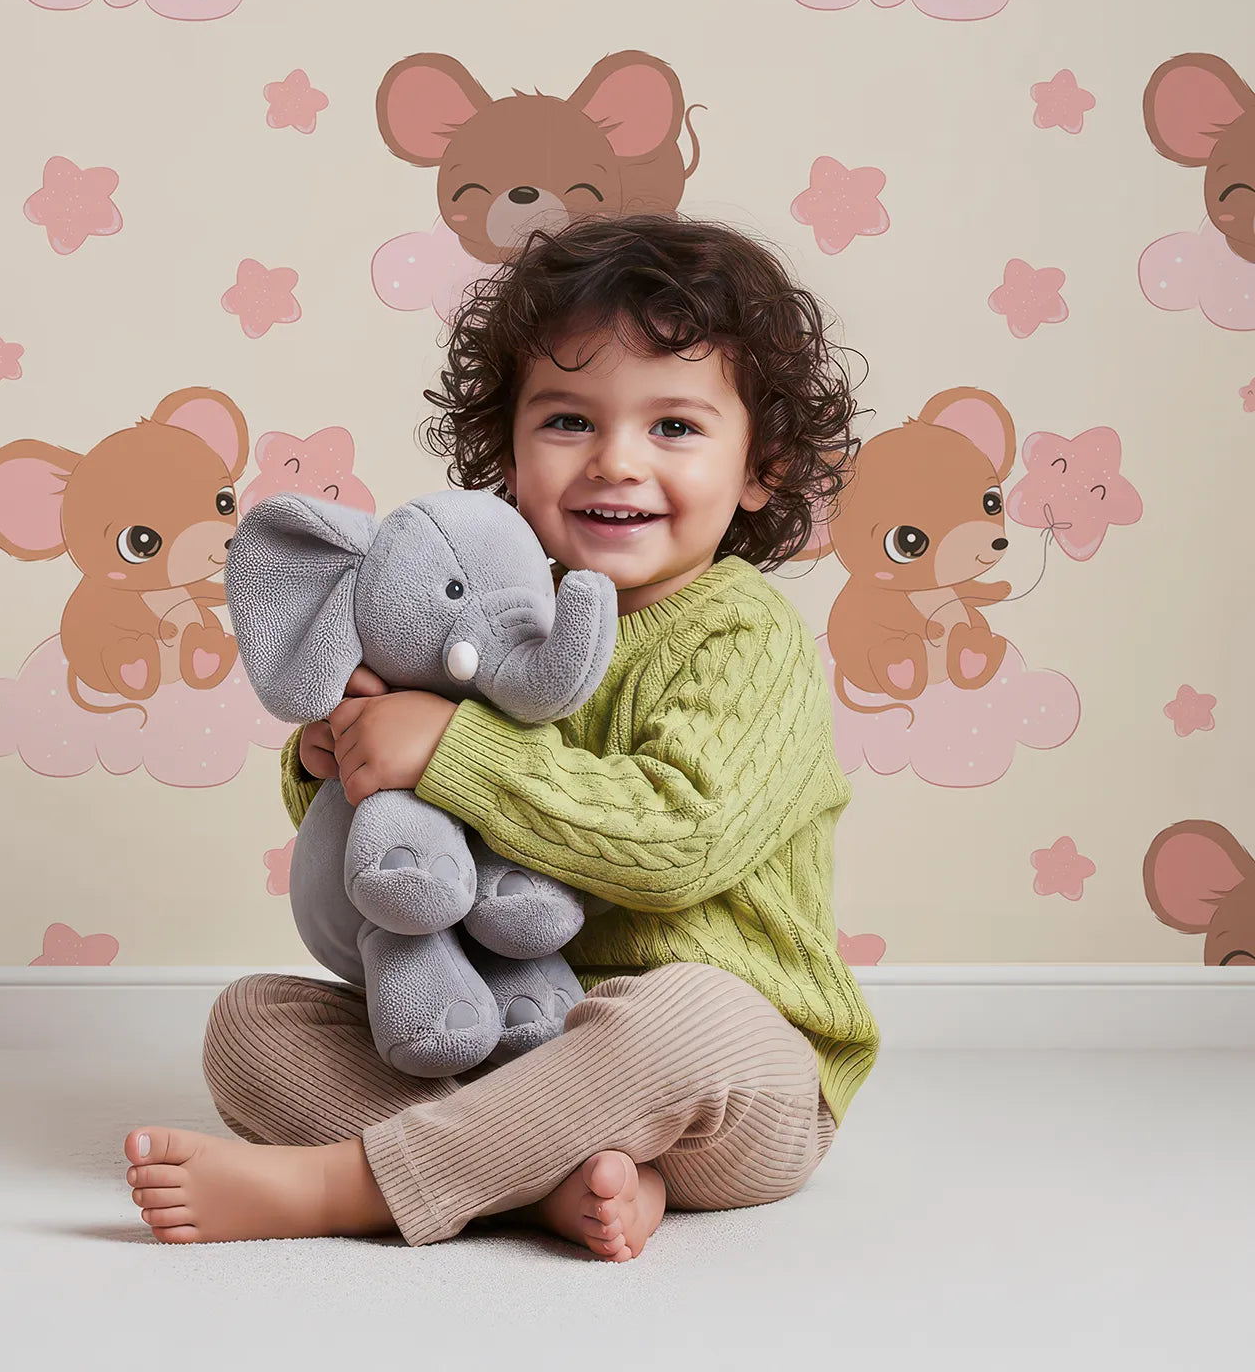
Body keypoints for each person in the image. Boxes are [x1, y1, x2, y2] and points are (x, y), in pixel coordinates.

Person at [122, 212, 880, 1261]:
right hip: (513, 1040)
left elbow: (677, 842)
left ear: (761, 465)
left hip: (723, 1084)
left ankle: (358, 1184)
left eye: (673, 427)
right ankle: (539, 1180)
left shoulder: (743, 634)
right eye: (568, 420)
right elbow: (389, 829)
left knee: (687, 1012)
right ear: (505, 449)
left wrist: (448, 750)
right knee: (250, 1024)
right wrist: (336, 753)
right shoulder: (485, 610)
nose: (615, 461)